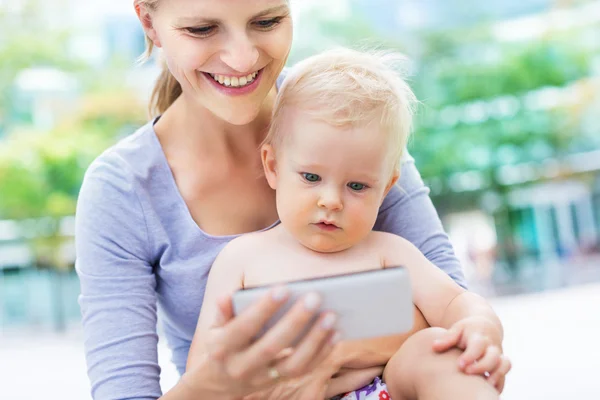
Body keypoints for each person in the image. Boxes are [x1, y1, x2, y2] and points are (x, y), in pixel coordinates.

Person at [74, 1, 486, 399]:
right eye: (202, 29)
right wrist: (227, 384)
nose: (241, 58)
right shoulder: (123, 189)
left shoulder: (348, 115)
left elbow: (455, 326)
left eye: (267, 21)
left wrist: (314, 358)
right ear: (148, 22)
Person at [187, 48, 510, 400]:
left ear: (386, 187)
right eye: (311, 177)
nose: (331, 201)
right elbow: (203, 372)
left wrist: (478, 329)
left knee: (440, 350)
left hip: (382, 391)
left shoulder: (388, 252)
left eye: (357, 186)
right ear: (273, 166)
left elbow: (455, 304)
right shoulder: (241, 260)